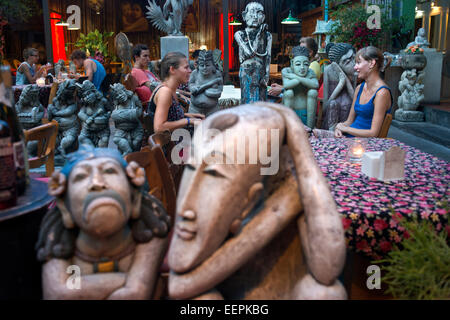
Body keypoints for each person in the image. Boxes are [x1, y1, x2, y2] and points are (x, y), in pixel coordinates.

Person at [314, 46, 392, 138]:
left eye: (358, 63)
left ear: (371, 63)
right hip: (349, 137)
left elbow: (373, 133)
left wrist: (345, 129)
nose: (355, 67)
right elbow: (349, 121)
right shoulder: (359, 88)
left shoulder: (382, 93)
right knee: (311, 134)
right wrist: (339, 128)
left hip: (365, 143)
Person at [149, 52, 204, 133]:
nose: (190, 71)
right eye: (186, 67)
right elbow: (158, 128)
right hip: (178, 143)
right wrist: (188, 121)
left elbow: (171, 117)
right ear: (172, 70)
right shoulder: (165, 92)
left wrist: (189, 116)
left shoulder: (171, 90)